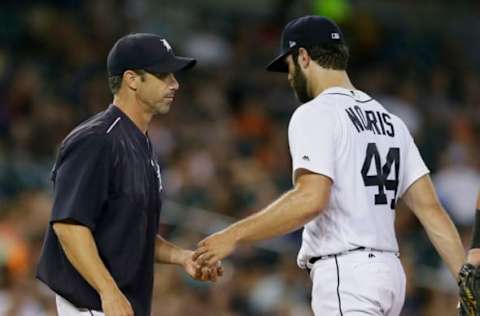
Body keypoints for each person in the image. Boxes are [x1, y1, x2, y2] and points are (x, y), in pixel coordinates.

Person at [193, 16, 465, 315]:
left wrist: (233, 235)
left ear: (304, 56)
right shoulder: (391, 122)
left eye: (289, 66)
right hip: (390, 276)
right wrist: (466, 285)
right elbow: (432, 211)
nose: (288, 77)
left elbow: (311, 199)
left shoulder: (316, 112)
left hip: (347, 273)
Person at [36, 33, 222, 316]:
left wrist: (181, 257)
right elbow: (69, 225)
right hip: (92, 305)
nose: (175, 84)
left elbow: (130, 233)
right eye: (163, 75)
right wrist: (108, 291)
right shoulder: (98, 139)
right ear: (132, 79)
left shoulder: (140, 141)